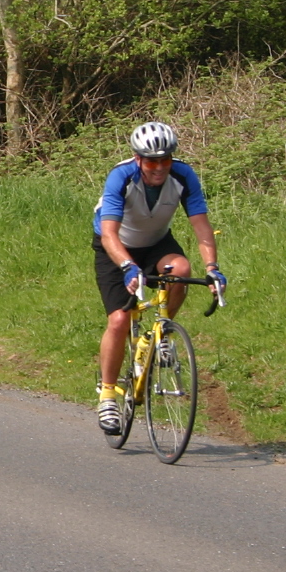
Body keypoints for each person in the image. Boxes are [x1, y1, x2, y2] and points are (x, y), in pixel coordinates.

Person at [92, 121, 226, 436]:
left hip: (156, 243)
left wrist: (212, 268)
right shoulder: (121, 177)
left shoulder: (183, 175)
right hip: (116, 247)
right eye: (152, 161)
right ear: (138, 159)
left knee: (181, 270)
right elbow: (109, 233)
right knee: (119, 319)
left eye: (165, 159)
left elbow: (201, 225)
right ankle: (108, 393)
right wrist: (127, 265)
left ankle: (161, 334)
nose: (159, 167)